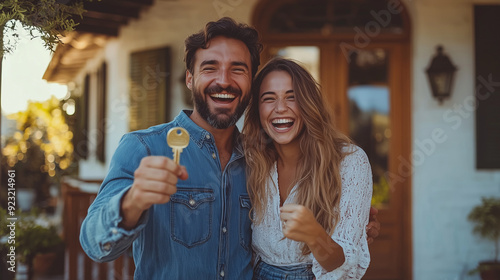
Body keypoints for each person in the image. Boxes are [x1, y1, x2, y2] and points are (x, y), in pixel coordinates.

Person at [79, 17, 379, 279]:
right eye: (210, 67)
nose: (224, 80)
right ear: (190, 78)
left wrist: (347, 231)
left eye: (238, 69)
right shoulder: (144, 147)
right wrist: (132, 202)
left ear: (250, 83)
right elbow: (94, 245)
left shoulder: (259, 157)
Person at [242, 58, 373, 279]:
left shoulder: (350, 162)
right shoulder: (250, 159)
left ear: (308, 104)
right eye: (268, 98)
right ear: (257, 110)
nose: (280, 108)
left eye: (291, 97)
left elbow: (343, 268)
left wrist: (315, 235)